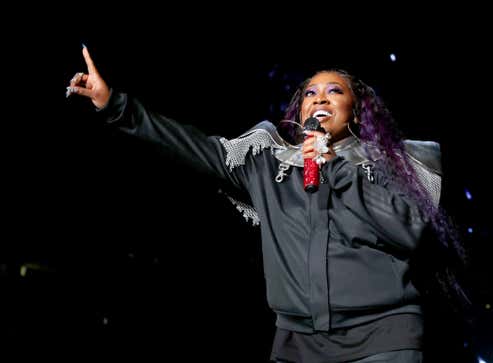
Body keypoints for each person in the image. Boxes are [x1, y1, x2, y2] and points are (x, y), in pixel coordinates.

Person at [67, 45, 470, 362]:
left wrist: (336, 168)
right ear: (301, 109)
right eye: (310, 92)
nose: (320, 98)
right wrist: (115, 105)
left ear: (356, 109)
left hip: (382, 340)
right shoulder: (267, 164)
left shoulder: (385, 165)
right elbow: (190, 147)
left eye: (335, 91)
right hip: (298, 345)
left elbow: (407, 230)